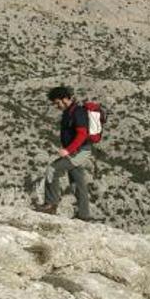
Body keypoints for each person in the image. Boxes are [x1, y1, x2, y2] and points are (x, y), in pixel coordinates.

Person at [35, 86, 96, 220]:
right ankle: (84, 215)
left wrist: (68, 150)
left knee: (52, 169)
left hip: (79, 152)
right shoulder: (69, 112)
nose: (56, 106)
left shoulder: (77, 112)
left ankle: (50, 204)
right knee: (77, 181)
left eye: (57, 103)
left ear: (65, 99)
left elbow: (82, 134)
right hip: (77, 151)